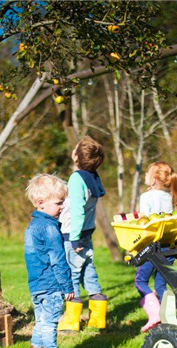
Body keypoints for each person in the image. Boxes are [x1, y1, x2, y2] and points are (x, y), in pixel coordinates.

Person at [24, 174, 75, 348]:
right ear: (41, 203)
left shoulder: (32, 226)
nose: (62, 207)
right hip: (51, 285)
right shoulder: (50, 228)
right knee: (50, 323)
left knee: (40, 322)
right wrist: (67, 286)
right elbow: (58, 261)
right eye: (59, 203)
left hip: (35, 284)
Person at [57, 136, 108, 332]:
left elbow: (78, 210)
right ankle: (98, 319)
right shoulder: (93, 177)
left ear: (76, 157)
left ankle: (71, 321)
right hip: (87, 231)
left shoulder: (77, 178)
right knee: (88, 271)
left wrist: (75, 238)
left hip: (74, 234)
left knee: (72, 273)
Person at [136, 162, 177, 332]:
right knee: (161, 286)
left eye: (147, 173)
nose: (145, 175)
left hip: (151, 247)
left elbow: (145, 222)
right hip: (167, 246)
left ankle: (155, 314)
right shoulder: (169, 197)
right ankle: (170, 317)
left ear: (154, 180)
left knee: (140, 281)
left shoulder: (146, 197)